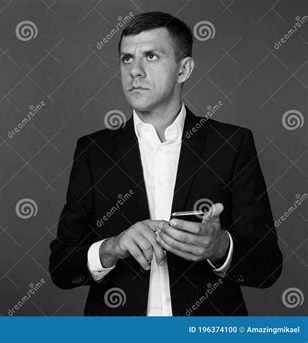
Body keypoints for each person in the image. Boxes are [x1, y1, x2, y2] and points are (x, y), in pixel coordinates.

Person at [49, 11, 282, 316]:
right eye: (127, 59)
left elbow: (267, 268)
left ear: (183, 69)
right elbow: (62, 269)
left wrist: (220, 247)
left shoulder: (231, 145)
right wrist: (111, 247)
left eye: (151, 56)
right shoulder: (94, 151)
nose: (135, 71)